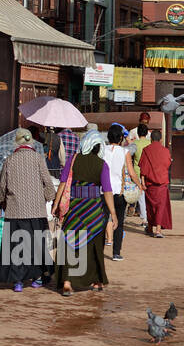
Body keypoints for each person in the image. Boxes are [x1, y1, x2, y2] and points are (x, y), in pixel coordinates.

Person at [54, 129, 116, 295]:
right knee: (94, 245)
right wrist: (113, 214)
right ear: (99, 147)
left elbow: (62, 183)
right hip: (94, 211)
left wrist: (55, 204)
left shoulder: (73, 160)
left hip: (74, 209)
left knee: (69, 243)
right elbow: (107, 191)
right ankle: (97, 281)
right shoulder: (102, 164)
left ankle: (67, 282)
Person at [0, 128, 55, 291]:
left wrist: (1, 200)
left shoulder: (9, 160)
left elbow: (2, 186)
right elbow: (48, 183)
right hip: (36, 211)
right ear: (30, 142)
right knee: (37, 245)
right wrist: (49, 198)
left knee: (17, 246)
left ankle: (18, 282)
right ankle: (39, 277)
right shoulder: (38, 158)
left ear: (17, 142)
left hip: (15, 211)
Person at [103, 124, 141, 261]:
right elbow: (131, 173)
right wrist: (140, 185)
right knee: (118, 222)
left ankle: (99, 249)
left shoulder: (102, 150)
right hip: (119, 191)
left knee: (102, 220)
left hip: (104, 190)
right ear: (120, 138)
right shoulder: (124, 152)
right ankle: (116, 253)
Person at [138, 129, 173, 238]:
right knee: (160, 207)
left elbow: (143, 169)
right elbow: (167, 164)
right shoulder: (165, 151)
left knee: (150, 207)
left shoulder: (146, 150)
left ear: (151, 139)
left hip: (150, 184)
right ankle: (158, 230)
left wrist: (143, 183)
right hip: (161, 183)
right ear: (161, 139)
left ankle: (149, 228)